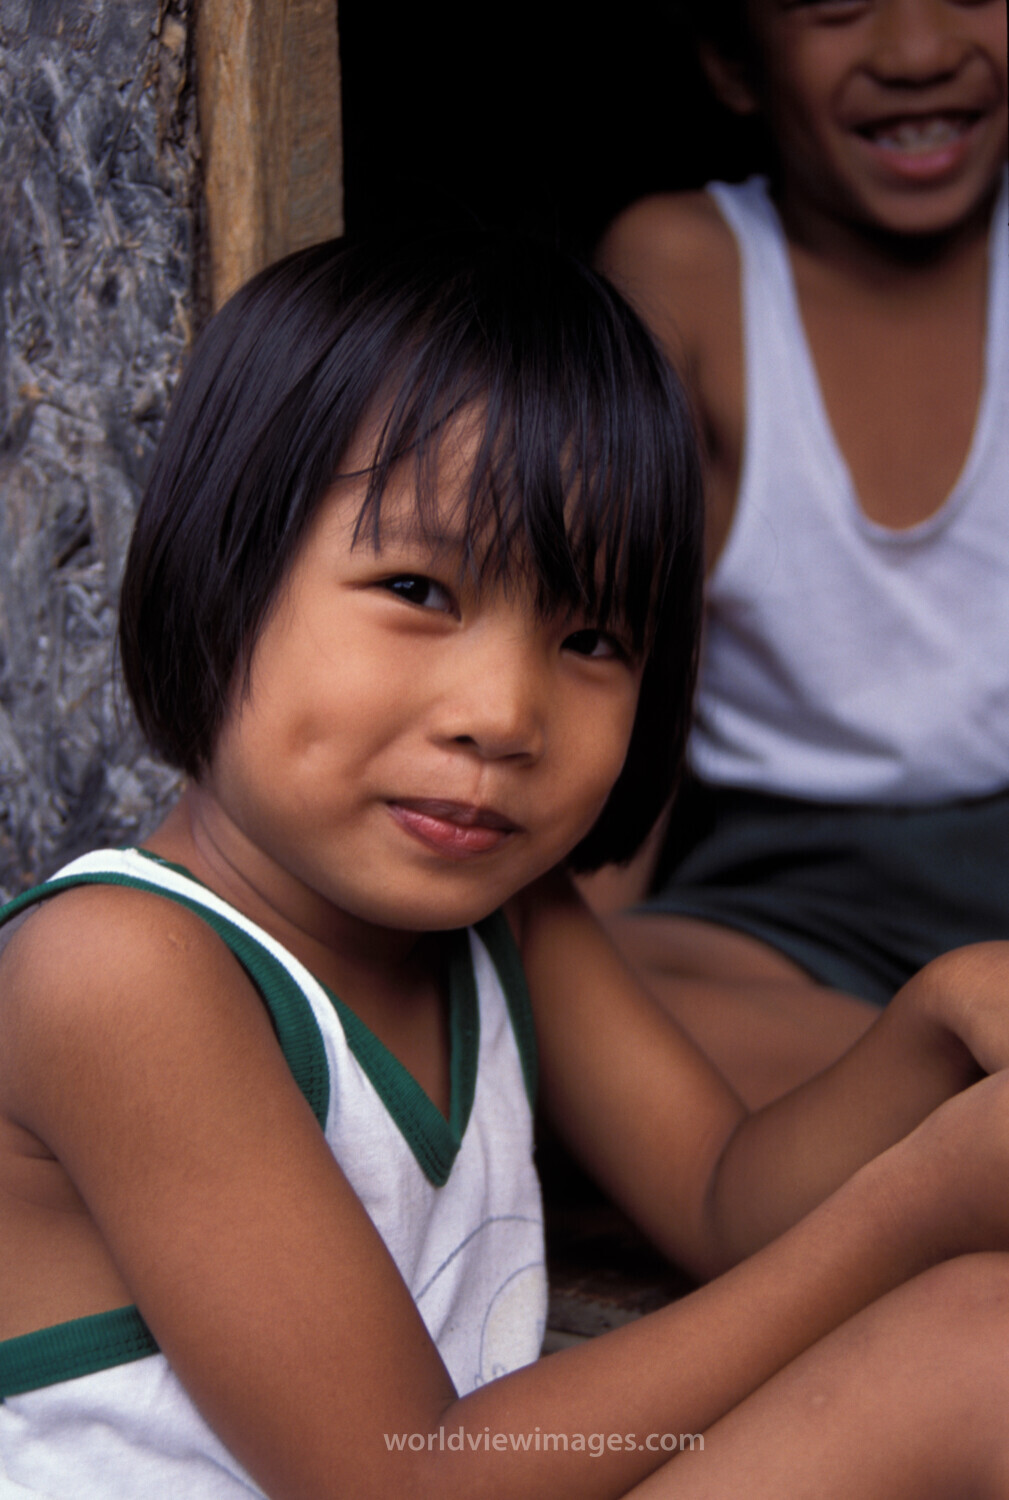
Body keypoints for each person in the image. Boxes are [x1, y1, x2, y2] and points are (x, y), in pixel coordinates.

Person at [2, 231, 1009, 1500]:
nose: (504, 713)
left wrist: (935, 1023)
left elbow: (719, 1197)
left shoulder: (507, 923)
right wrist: (916, 1211)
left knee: (986, 1340)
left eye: (592, 635)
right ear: (224, 573)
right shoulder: (117, 973)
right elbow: (404, 1484)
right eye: (418, 588)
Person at [590, 0, 1009, 1110]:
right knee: (578, 1006)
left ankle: (923, 1110)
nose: (917, 53)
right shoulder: (683, 268)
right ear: (733, 62)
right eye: (837, 8)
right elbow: (617, 651)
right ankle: (947, 1097)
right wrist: (563, 990)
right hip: (789, 908)